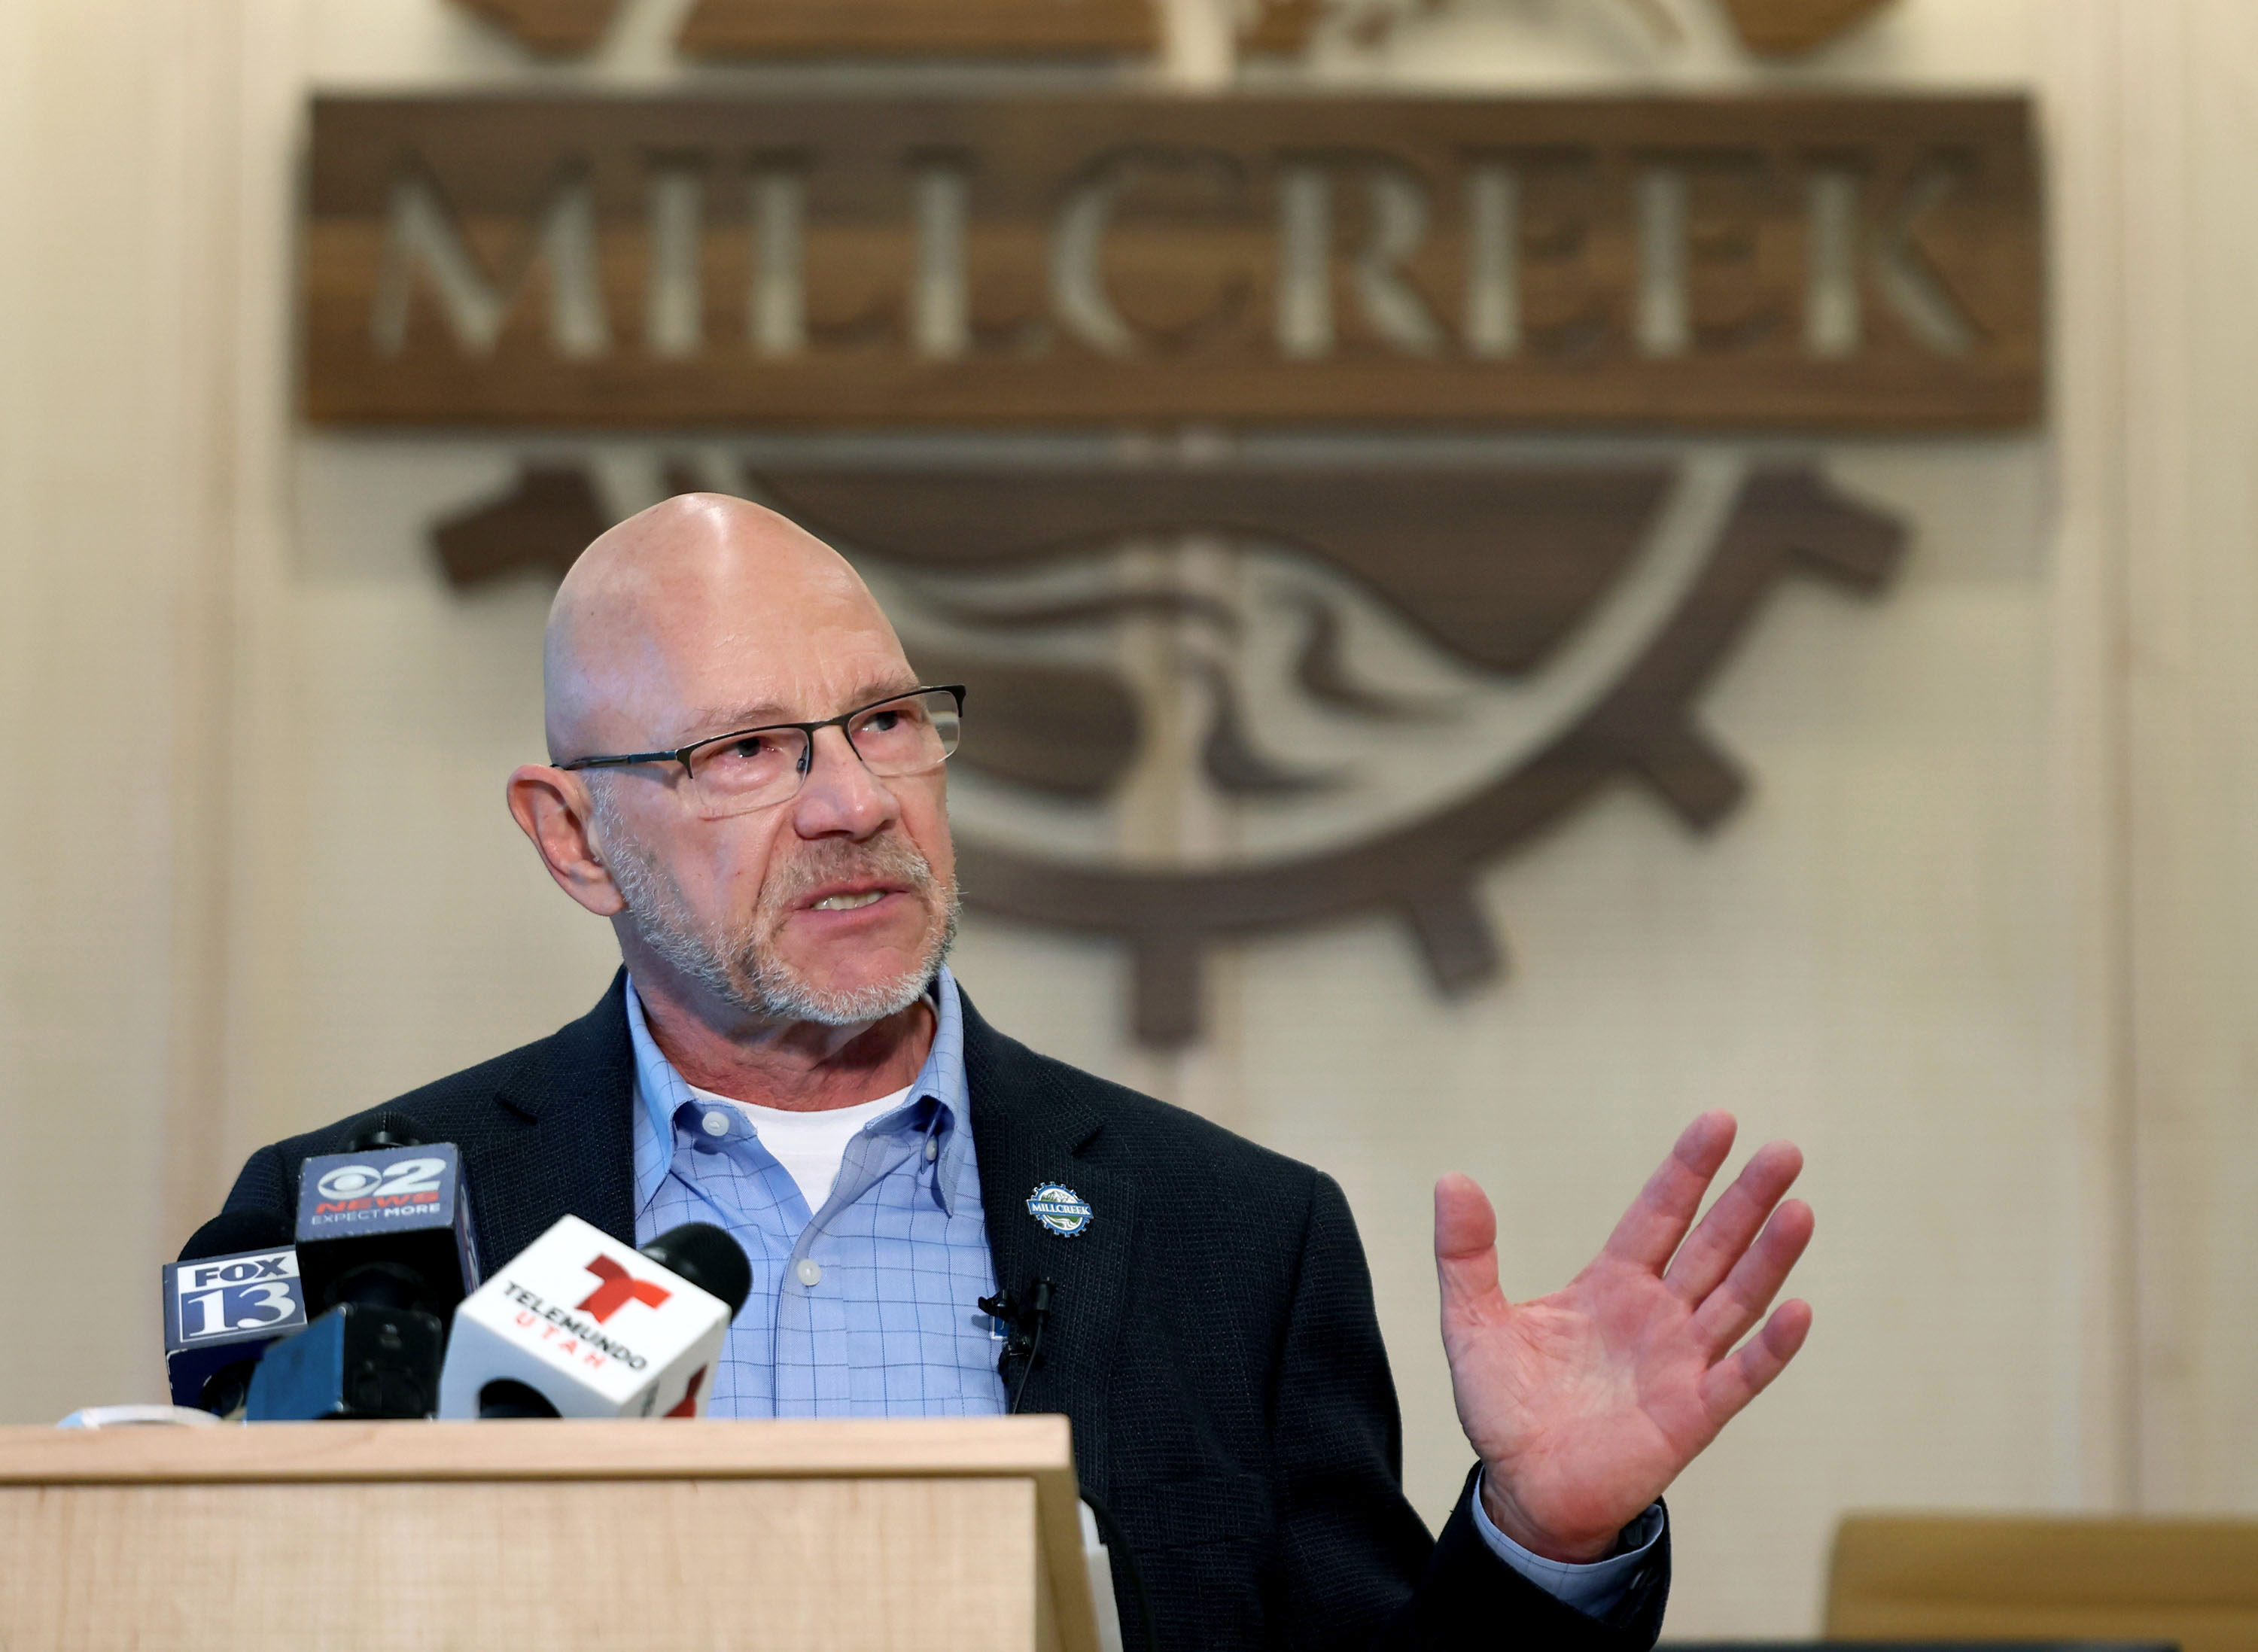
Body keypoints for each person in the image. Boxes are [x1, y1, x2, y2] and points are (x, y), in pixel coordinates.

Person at [218, 494, 1813, 1650]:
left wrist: (1542, 1538)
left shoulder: (1231, 1244)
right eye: (747, 750)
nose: (850, 800)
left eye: (886, 721)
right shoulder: (348, 1221)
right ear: (575, 838)